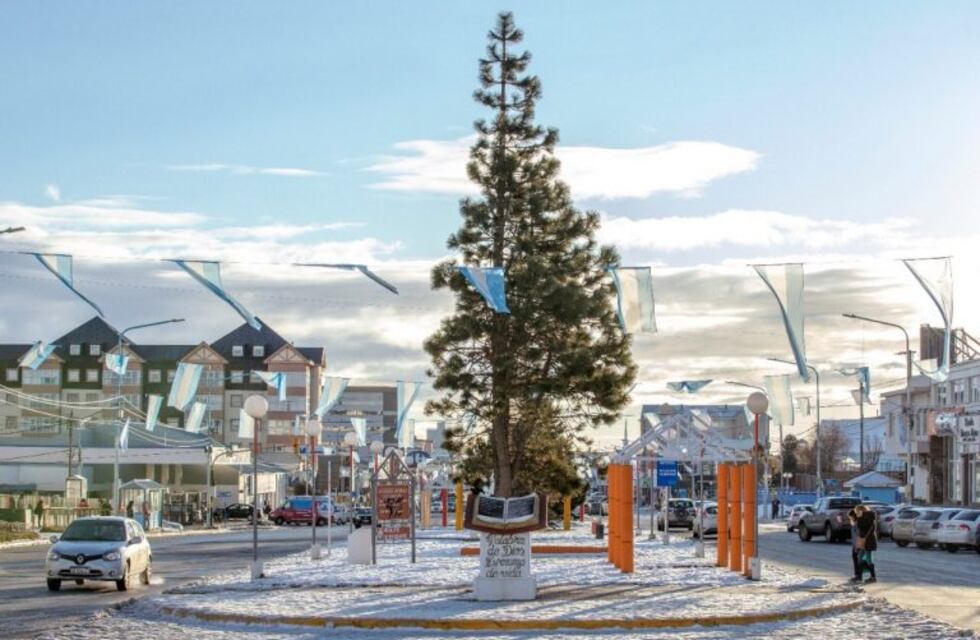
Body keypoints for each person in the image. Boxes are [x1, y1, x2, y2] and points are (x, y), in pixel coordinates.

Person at [855, 504, 877, 583]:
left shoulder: (867, 517)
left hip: (867, 541)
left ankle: (872, 577)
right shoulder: (869, 517)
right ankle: (860, 576)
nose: (856, 513)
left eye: (857, 511)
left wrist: (859, 518)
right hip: (867, 540)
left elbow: (861, 526)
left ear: (861, 510)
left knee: (867, 558)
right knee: (861, 557)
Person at [847, 509, 861, 583]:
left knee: (857, 560)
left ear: (853, 516)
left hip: (857, 545)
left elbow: (857, 536)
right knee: (856, 560)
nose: (850, 518)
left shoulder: (856, 524)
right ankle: (857, 575)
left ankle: (858, 576)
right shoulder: (854, 524)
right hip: (855, 545)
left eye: (850, 517)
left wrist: (856, 547)